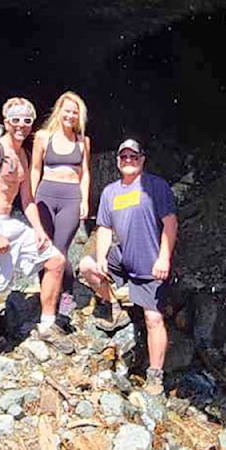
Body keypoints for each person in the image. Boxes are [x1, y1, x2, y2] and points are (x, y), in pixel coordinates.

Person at [0, 97, 75, 381]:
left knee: (56, 260)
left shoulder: (22, 155)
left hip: (10, 222)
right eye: (16, 119)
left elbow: (28, 199)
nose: (21, 125)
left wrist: (39, 231)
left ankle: (47, 325)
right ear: (6, 120)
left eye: (27, 120)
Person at [78, 138, 178, 396]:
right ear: (118, 161)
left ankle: (155, 375)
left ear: (142, 159)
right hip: (121, 259)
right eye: (124, 157)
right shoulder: (111, 192)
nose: (129, 160)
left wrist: (164, 258)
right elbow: (104, 228)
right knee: (87, 266)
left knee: (153, 318)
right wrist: (101, 257)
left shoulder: (156, 186)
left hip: (150, 265)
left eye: (134, 156)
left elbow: (170, 223)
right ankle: (113, 305)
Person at [30, 91, 92, 325]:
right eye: (67, 110)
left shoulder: (83, 141)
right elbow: (35, 168)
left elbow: (85, 173)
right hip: (45, 196)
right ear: (59, 111)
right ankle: (45, 297)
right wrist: (32, 198)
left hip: (71, 198)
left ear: (79, 116)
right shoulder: (43, 137)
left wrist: (85, 200)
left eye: (75, 112)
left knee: (60, 250)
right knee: (44, 248)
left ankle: (66, 293)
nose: (70, 115)